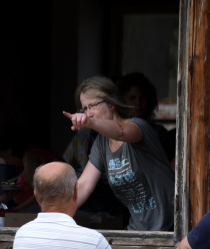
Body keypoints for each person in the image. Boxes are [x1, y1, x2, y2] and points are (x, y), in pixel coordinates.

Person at [63, 75, 174, 231]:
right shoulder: (101, 143)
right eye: (85, 109)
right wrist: (58, 214)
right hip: (138, 230)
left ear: (112, 103)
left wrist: (89, 122)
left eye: (92, 106)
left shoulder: (138, 126)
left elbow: (120, 132)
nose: (88, 113)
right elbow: (83, 185)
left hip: (171, 227)